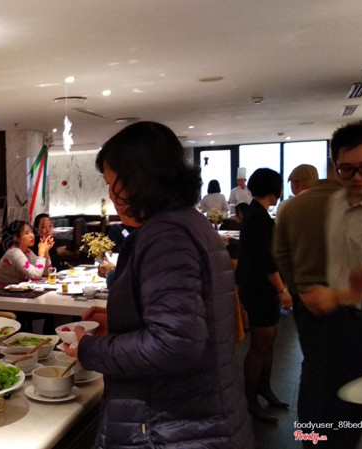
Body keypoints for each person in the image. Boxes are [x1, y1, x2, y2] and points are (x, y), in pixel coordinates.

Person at [64, 121, 254, 448]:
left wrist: (90, 350)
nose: (111, 195)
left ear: (138, 179)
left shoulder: (167, 235)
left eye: (112, 184)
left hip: (169, 430)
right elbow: (189, 320)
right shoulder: (189, 222)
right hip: (197, 421)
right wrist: (123, 322)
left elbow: (174, 344)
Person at [300, 122, 362, 448]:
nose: (357, 178)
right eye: (346, 169)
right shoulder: (337, 201)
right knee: (334, 415)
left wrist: (339, 295)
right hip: (339, 325)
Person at [272, 163, 342, 445]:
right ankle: (340, 434)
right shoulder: (350, 201)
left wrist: (296, 287)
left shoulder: (292, 207)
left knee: (312, 367)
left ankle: (311, 436)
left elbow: (280, 254)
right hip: (348, 301)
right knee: (343, 369)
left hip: (306, 298)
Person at [235, 168, 293, 423]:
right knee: (260, 343)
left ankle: (264, 388)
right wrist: (282, 290)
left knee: (268, 341)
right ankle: (250, 400)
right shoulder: (258, 216)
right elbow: (265, 259)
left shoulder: (255, 213)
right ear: (275, 189)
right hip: (259, 287)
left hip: (258, 285)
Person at [0, 220, 53, 288]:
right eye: (26, 233)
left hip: (19, 290)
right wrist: (41, 254)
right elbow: (36, 276)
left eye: (31, 232)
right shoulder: (14, 253)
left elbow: (46, 273)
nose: (32, 236)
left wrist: (46, 252)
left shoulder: (28, 251)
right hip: (3, 292)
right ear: (16, 238)